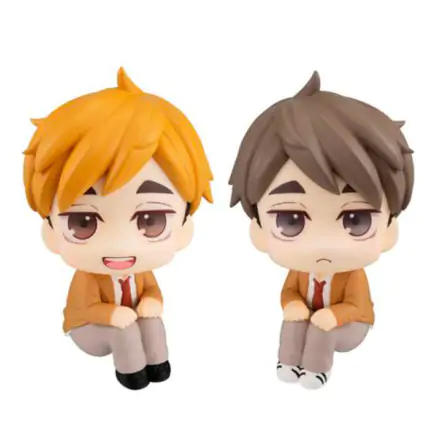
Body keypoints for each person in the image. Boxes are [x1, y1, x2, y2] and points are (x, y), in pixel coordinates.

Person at [23, 68, 213, 390]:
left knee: (152, 321)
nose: (120, 244)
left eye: (150, 220)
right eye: (83, 223)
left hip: (132, 322)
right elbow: (84, 309)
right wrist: (112, 315)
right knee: (124, 330)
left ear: (184, 228)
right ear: (52, 233)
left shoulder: (141, 272)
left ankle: (158, 364)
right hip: (89, 330)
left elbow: (151, 292)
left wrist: (151, 302)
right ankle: (131, 373)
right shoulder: (89, 277)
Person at [228, 72, 414, 389]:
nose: (323, 244)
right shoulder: (300, 271)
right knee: (293, 322)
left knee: (320, 330)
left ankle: (315, 370)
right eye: (291, 220)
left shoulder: (352, 275)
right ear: (258, 230)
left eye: (356, 220)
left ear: (388, 230)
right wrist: (292, 305)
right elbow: (289, 292)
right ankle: (288, 362)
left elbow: (357, 306)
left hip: (350, 326)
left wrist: (333, 316)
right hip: (310, 318)